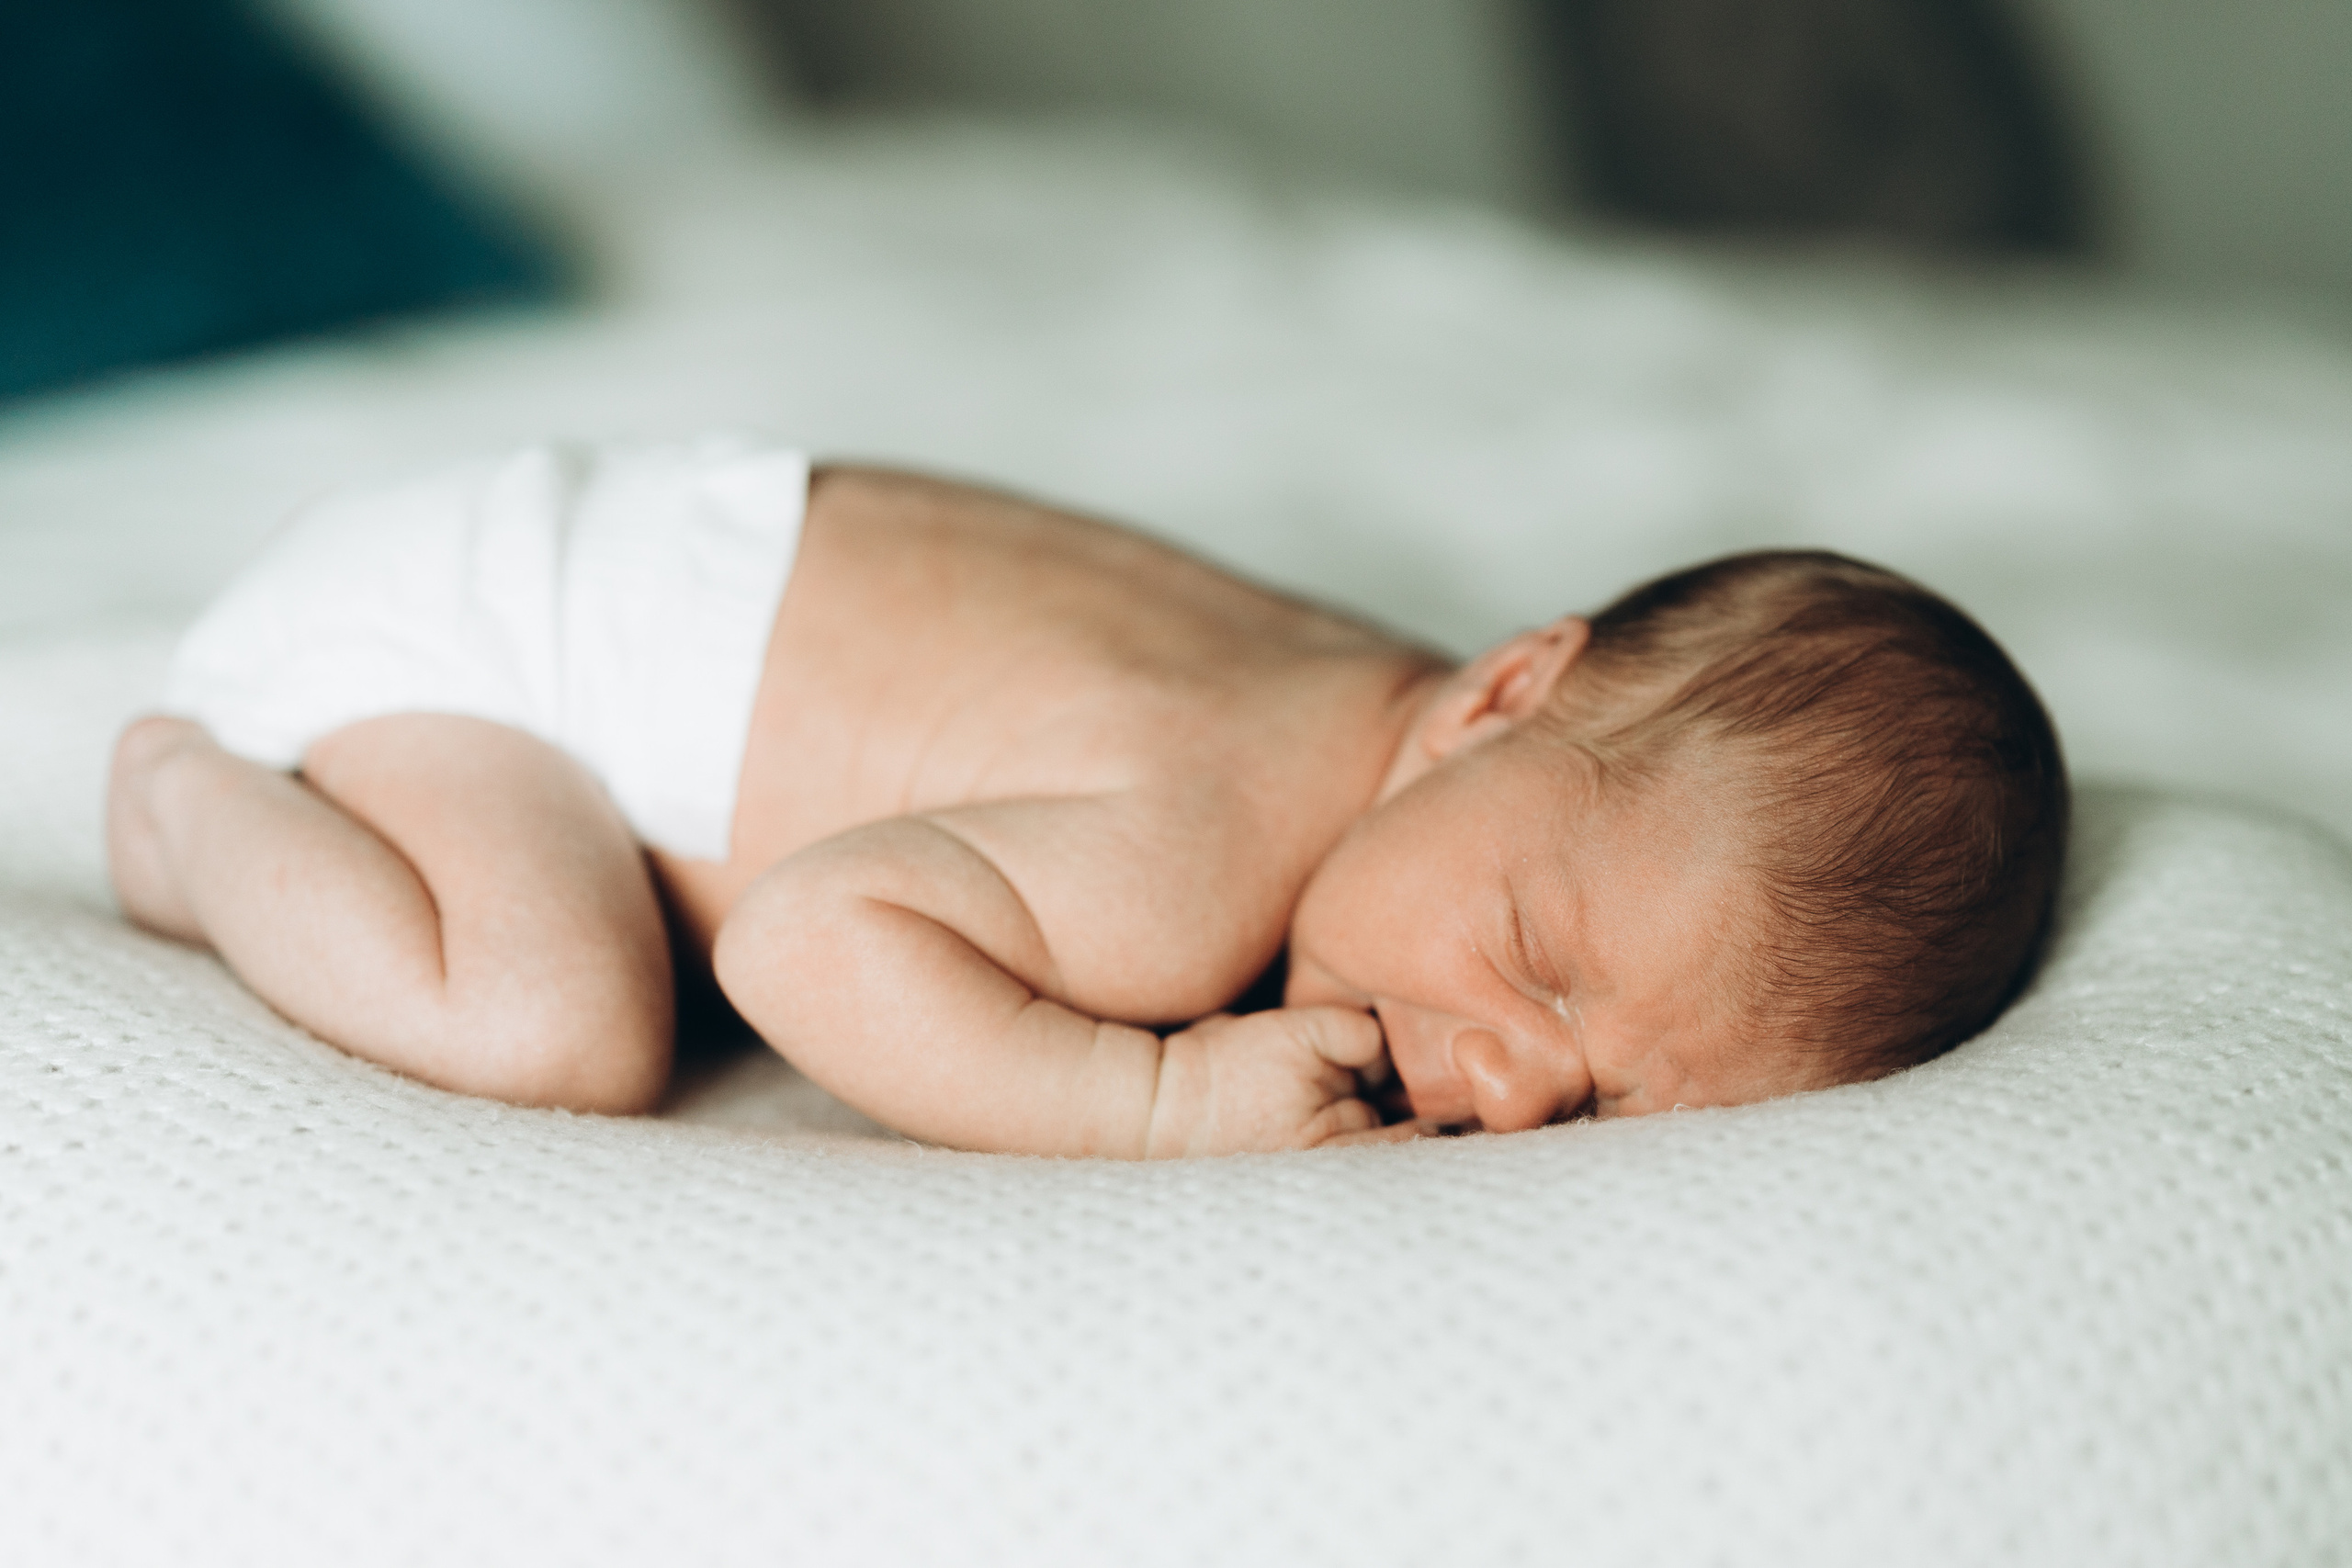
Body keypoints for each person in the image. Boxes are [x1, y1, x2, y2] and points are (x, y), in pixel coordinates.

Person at [107, 436, 2069, 1156]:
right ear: (1501, 690)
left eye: (1610, 1090)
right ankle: (187, 800)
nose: (1508, 1079)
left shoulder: (1388, 724)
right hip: (477, 647)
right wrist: (1141, 1096)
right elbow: (810, 941)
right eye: (1537, 957)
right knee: (556, 1015)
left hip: (584, 523)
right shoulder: (1193, 853)